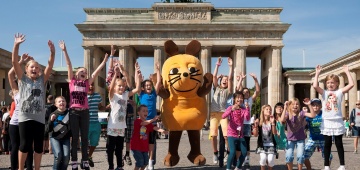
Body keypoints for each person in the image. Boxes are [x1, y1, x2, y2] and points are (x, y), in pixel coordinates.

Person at [59, 40, 109, 170]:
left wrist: (104, 61)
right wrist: (64, 51)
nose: (84, 73)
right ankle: (74, 162)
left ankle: (85, 161)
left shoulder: (87, 83)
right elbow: (69, 64)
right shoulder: (72, 81)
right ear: (76, 74)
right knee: (75, 138)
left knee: (85, 139)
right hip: (74, 112)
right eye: (82, 71)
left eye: (85, 72)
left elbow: (96, 72)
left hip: (85, 112)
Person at [12, 33, 55, 170]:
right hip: (24, 117)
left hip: (39, 118)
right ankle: (20, 168)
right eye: (32, 67)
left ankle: (36, 169)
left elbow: (49, 66)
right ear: (26, 69)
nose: (34, 69)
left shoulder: (42, 80)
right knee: (24, 145)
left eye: (37, 67)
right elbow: (14, 62)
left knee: (38, 146)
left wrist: (52, 53)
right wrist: (16, 45)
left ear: (40, 71)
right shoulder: (23, 79)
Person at [313, 65, 354, 170]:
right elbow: (315, 86)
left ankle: (342, 165)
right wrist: (317, 73)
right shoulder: (324, 92)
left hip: (337, 121)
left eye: (332, 82)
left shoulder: (339, 92)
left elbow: (351, 84)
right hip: (326, 121)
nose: (330, 84)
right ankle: (326, 166)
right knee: (327, 144)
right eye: (328, 82)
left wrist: (347, 71)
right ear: (326, 84)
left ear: (337, 83)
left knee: (339, 143)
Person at [107, 63, 141, 170]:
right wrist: (116, 75)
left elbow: (137, 89)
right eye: (119, 86)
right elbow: (111, 88)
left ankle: (119, 166)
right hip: (112, 126)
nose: (121, 87)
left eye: (123, 86)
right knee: (111, 149)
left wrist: (138, 77)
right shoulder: (113, 96)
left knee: (119, 148)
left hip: (121, 127)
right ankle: (111, 166)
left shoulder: (125, 95)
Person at [8, 55, 34, 170]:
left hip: (28, 122)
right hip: (15, 122)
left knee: (28, 147)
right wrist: (21, 62)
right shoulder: (15, 90)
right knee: (15, 147)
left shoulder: (32, 87)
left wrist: (29, 68)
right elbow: (10, 74)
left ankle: (29, 167)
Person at [278, 98, 316, 170]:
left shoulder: (301, 113)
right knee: (288, 156)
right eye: (293, 104)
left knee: (300, 156)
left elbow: (313, 115)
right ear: (290, 106)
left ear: (299, 106)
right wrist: (285, 107)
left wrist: (309, 105)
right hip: (290, 139)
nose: (295, 105)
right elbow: (282, 120)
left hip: (300, 139)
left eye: (297, 104)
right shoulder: (287, 113)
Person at [137, 62, 162, 170]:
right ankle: (146, 161)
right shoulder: (141, 94)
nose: (148, 86)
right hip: (143, 123)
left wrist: (157, 70)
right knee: (143, 141)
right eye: (146, 85)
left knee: (152, 142)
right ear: (143, 87)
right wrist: (137, 73)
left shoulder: (154, 94)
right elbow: (137, 84)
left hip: (152, 122)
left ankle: (151, 162)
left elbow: (159, 82)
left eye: (150, 85)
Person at [210, 57, 233, 165]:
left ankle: (228, 151)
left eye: (226, 80)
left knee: (226, 135)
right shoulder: (216, 88)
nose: (225, 80)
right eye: (223, 79)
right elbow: (214, 76)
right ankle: (215, 152)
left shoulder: (228, 91)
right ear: (220, 81)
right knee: (213, 135)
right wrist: (217, 65)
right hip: (214, 114)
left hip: (224, 114)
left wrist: (231, 67)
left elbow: (230, 78)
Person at [131, 105, 168, 170]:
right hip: (136, 147)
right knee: (140, 162)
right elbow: (143, 123)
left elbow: (154, 128)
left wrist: (163, 131)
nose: (146, 112)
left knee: (145, 163)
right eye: (143, 111)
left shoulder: (148, 123)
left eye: (147, 111)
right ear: (138, 113)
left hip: (144, 147)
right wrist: (153, 119)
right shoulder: (137, 121)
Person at [237, 72, 260, 168]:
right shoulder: (239, 99)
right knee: (238, 143)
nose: (246, 93)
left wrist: (255, 79)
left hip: (247, 124)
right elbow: (237, 89)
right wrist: (241, 80)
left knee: (247, 143)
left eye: (247, 92)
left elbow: (258, 91)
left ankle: (247, 161)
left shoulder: (250, 99)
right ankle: (239, 161)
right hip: (239, 123)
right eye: (244, 92)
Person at [222, 91, 250, 170]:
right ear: (234, 99)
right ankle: (228, 168)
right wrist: (231, 110)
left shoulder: (244, 109)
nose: (240, 99)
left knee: (244, 152)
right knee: (233, 152)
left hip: (240, 134)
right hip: (231, 133)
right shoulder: (230, 108)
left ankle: (238, 167)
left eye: (241, 98)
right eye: (238, 97)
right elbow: (223, 116)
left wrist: (248, 109)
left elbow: (247, 118)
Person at [303, 98, 333, 170]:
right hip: (312, 138)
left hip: (323, 138)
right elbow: (303, 124)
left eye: (317, 105)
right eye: (313, 105)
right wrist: (303, 115)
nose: (315, 107)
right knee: (303, 155)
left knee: (328, 156)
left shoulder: (324, 114)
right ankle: (309, 168)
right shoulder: (309, 116)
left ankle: (326, 168)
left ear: (321, 106)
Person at [48, 96, 71, 170]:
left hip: (65, 138)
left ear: (66, 103)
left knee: (66, 156)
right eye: (59, 101)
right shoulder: (53, 114)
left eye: (63, 101)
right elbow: (48, 129)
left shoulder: (70, 113)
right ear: (56, 104)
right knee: (58, 155)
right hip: (55, 137)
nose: (62, 102)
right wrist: (51, 121)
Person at [253, 105, 277, 170]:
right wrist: (255, 126)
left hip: (271, 144)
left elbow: (274, 132)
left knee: (270, 160)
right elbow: (255, 135)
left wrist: (273, 123)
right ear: (263, 111)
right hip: (262, 145)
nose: (269, 111)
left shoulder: (273, 120)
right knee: (263, 159)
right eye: (267, 109)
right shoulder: (259, 121)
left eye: (270, 110)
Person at [87, 83, 105, 167]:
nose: (91, 87)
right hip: (85, 123)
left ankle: (89, 156)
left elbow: (100, 107)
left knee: (94, 142)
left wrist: (106, 107)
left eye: (92, 85)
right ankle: (85, 157)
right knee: (85, 142)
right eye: (89, 85)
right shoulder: (82, 96)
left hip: (95, 122)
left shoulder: (98, 96)